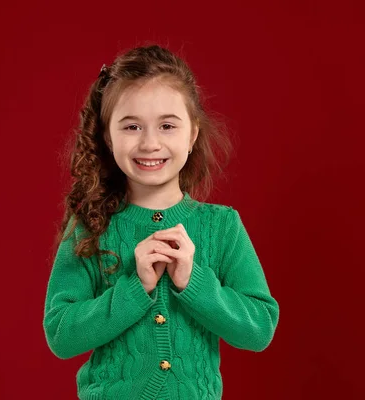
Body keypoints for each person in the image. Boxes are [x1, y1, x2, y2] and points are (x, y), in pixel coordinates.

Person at [43, 44, 280, 400]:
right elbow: (61, 334)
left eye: (168, 125)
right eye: (132, 126)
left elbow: (259, 329)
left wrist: (194, 282)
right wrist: (134, 288)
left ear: (192, 133)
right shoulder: (91, 225)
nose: (150, 143)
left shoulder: (222, 226)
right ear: (108, 137)